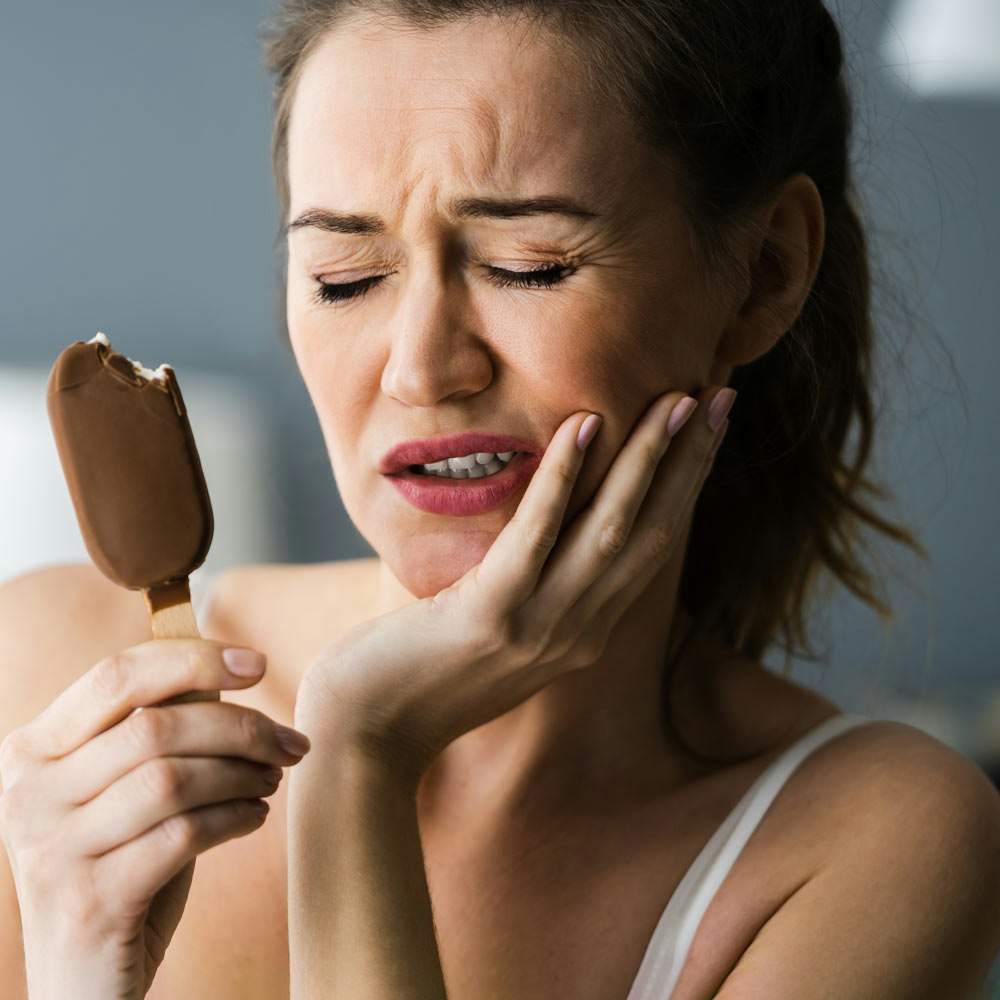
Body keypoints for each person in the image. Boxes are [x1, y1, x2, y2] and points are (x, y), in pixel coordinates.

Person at [2, 0, 999, 997]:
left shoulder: (872, 840)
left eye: (530, 266)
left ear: (762, 274)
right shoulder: (45, 682)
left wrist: (360, 753)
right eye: (343, 278)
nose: (421, 368)